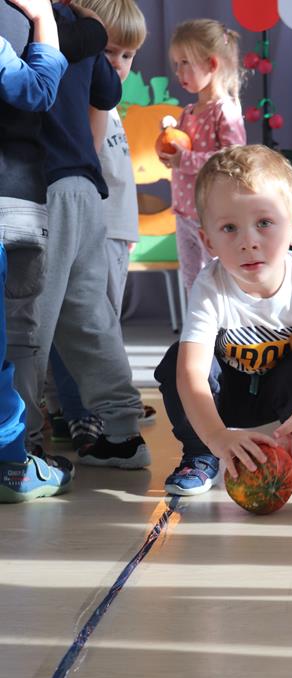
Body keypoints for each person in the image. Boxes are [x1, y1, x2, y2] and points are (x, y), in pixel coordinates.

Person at [154, 144, 292, 497]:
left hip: (279, 398)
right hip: (223, 399)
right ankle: (201, 453)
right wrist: (216, 435)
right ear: (207, 240)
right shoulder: (209, 287)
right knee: (176, 363)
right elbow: (192, 375)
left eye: (264, 223)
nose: (248, 242)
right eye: (229, 228)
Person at [15, 0, 150, 469]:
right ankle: (122, 433)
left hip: (39, 187)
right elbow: (108, 92)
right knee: (91, 317)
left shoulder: (18, 21)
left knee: (27, 321)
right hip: (84, 187)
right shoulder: (80, 25)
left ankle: (21, 443)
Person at [0, 0, 71, 502]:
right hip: (10, 197)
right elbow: (36, 90)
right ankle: (11, 464)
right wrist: (44, 16)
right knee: (9, 339)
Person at [159, 18, 247, 294]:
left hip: (213, 215)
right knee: (191, 282)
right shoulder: (187, 112)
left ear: (211, 64)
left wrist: (184, 160)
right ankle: (195, 322)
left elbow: (232, 159)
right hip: (184, 213)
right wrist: (168, 152)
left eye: (185, 62)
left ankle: (223, 322)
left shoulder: (224, 110)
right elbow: (183, 151)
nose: (179, 71)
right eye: (176, 64)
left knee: (219, 279)